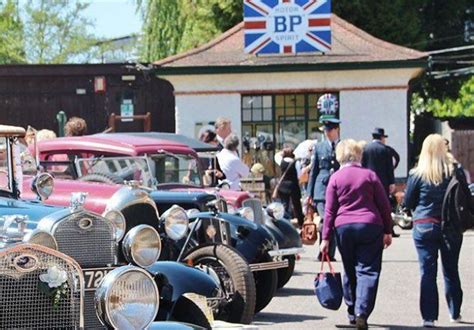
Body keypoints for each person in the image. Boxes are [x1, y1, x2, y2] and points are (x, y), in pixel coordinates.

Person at [320, 139, 392, 329]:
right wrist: (388, 230)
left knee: (349, 269)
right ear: (359, 155)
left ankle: (351, 312)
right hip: (370, 225)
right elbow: (384, 205)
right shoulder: (370, 175)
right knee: (368, 270)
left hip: (344, 228)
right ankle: (362, 311)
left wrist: (325, 238)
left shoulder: (335, 178)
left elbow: (329, 211)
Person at [404, 134, 464, 328]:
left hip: (424, 225)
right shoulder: (455, 171)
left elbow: (408, 202)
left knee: (427, 273)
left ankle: (429, 318)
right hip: (451, 226)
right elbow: (465, 197)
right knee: (451, 270)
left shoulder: (417, 174)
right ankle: (454, 312)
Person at [306, 118, 341, 261]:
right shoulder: (319, 147)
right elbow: (313, 171)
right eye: (325, 131)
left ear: (336, 130)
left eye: (329, 130)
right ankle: (324, 253)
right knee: (326, 220)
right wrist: (309, 193)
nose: (327, 133)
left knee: (333, 222)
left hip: (339, 188)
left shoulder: (343, 146)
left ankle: (329, 253)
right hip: (322, 189)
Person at [362, 127, 400, 237]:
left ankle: (369, 226)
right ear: (382, 137)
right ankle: (388, 229)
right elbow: (390, 167)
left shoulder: (366, 149)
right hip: (383, 182)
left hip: (368, 181)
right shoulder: (385, 150)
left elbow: (363, 165)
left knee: (369, 204)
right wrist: (392, 182)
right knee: (384, 206)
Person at [274, 147, 304, 227]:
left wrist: (282, 152)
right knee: (297, 204)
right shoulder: (296, 163)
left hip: (283, 185)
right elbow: (299, 175)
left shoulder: (281, 161)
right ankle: (300, 222)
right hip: (293, 185)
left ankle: (284, 222)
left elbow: (276, 155)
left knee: (284, 205)